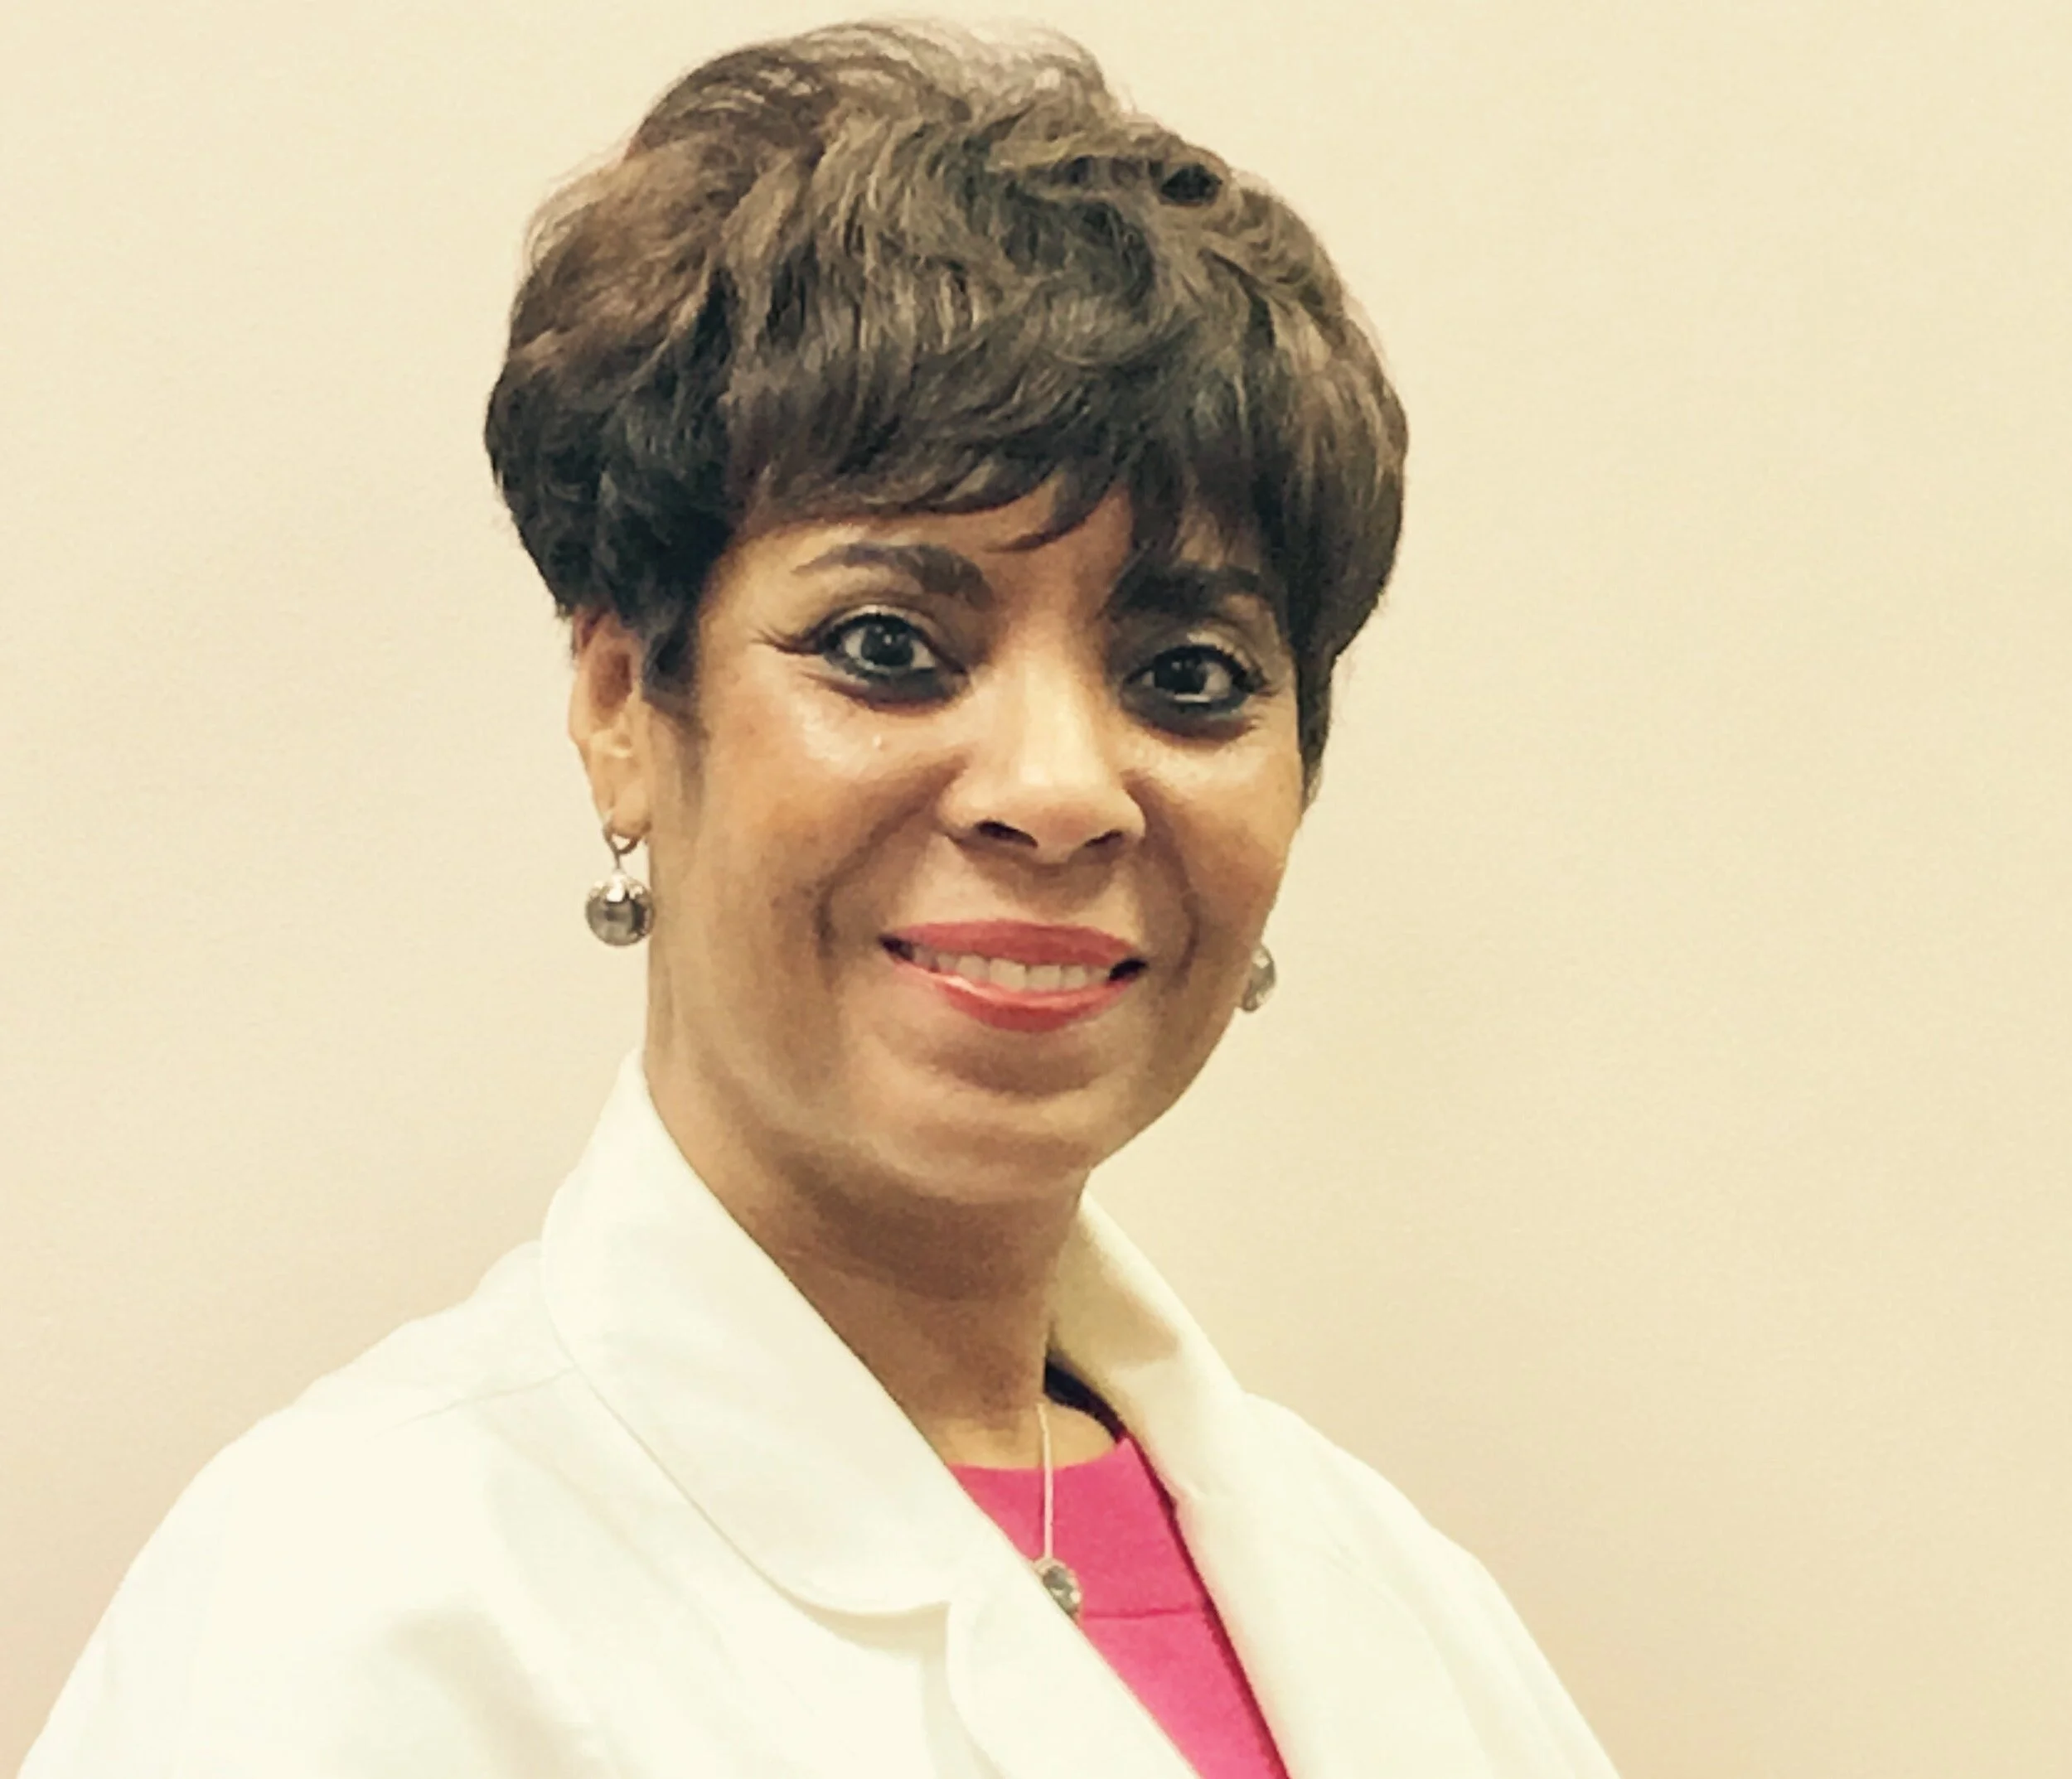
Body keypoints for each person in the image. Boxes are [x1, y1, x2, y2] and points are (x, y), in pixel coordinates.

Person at [24, 22, 1618, 1779]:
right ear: (623, 704)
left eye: (1187, 674)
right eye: (886, 645)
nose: (1059, 788)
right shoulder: (353, 1603)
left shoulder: (1408, 1606)